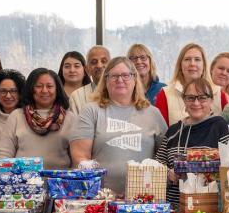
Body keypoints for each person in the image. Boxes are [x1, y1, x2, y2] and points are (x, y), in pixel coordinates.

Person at [68, 56, 167, 196]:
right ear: (106, 81)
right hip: (101, 198)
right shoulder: (91, 110)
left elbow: (164, 157)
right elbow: (80, 156)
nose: (120, 80)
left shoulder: (153, 113)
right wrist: (96, 193)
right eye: (114, 76)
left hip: (144, 199)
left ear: (135, 79)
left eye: (126, 75)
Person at [155, 78, 229, 210]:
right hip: (174, 209)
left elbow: (228, 169)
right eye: (190, 98)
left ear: (211, 100)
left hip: (208, 209)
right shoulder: (173, 131)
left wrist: (200, 172)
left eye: (202, 98)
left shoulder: (220, 127)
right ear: (184, 100)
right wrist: (168, 174)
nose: (196, 103)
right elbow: (157, 168)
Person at [0, 68, 71, 169]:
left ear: (57, 90)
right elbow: (5, 155)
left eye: (49, 86)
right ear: (31, 89)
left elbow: (77, 157)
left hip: (60, 182)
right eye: (39, 86)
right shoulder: (16, 116)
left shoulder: (71, 119)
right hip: (22, 181)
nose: (44, 90)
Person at [154, 43, 228, 126]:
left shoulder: (219, 94)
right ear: (180, 65)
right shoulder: (165, 94)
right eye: (187, 59)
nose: (192, 63)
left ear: (204, 65)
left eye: (197, 59)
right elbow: (161, 134)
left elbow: (227, 130)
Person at [0, 69, 26, 145]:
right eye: (3, 91)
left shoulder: (29, 119)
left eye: (13, 91)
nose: (8, 96)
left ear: (20, 93)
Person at [69, 45, 110, 116]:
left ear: (111, 66)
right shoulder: (76, 97)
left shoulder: (122, 92)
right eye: (94, 62)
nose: (99, 65)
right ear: (87, 69)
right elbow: (75, 126)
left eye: (104, 61)